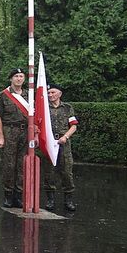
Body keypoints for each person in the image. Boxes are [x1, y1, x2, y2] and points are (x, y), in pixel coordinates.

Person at [0, 68, 28, 208]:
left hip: (25, 132)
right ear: (11, 79)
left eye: (21, 76)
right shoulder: (3, 95)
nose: (19, 79)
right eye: (16, 76)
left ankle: (18, 196)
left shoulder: (29, 95)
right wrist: (1, 136)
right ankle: (8, 195)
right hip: (10, 130)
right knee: (9, 165)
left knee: (22, 165)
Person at [44, 83, 78, 211]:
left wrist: (66, 137)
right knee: (49, 172)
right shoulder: (45, 108)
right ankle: (50, 200)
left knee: (67, 172)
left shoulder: (67, 108)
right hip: (50, 142)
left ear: (60, 93)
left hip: (64, 143)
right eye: (48, 93)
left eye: (53, 92)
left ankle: (68, 200)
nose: (50, 95)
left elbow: (73, 125)